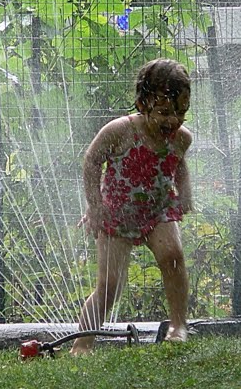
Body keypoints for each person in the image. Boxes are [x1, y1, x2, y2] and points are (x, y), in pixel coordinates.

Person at [71, 58, 193, 354]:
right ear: (142, 104)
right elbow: (91, 161)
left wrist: (185, 193)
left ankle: (178, 325)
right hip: (117, 213)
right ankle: (82, 343)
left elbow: (178, 163)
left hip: (158, 211)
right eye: (164, 112)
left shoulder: (181, 138)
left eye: (181, 112)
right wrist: (95, 205)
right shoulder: (120, 131)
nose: (173, 121)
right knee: (109, 285)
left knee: (173, 257)